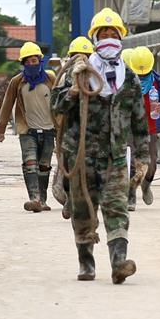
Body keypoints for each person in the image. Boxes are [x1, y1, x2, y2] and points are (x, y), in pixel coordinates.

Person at [51, 8, 149, 284]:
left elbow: (139, 122)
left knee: (116, 208)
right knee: (83, 210)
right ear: (94, 38)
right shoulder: (80, 72)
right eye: (103, 34)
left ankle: (119, 263)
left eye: (113, 34)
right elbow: (56, 107)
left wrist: (142, 158)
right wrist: (71, 90)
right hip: (81, 155)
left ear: (121, 38)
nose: (108, 38)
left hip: (115, 157)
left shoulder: (129, 78)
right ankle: (86, 263)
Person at [0, 42, 57, 213]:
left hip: (49, 129)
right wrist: (0, 129)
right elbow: (7, 104)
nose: (32, 64)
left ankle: (43, 200)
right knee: (30, 164)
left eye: (34, 60)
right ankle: (34, 198)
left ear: (40, 60)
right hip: (27, 130)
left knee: (44, 166)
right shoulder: (17, 82)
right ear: (23, 64)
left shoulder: (51, 78)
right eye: (28, 61)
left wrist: (63, 128)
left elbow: (61, 102)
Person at [125, 46, 160, 209]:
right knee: (131, 163)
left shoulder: (158, 81)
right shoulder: (126, 81)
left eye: (144, 73)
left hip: (150, 128)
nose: (142, 76)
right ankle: (131, 197)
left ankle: (146, 185)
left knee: (151, 165)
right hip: (131, 129)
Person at [53, 35, 95, 219]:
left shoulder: (98, 79)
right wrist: (73, 91)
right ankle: (69, 198)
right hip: (70, 134)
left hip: (93, 135)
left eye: (85, 55)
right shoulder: (64, 81)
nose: (82, 59)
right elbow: (56, 106)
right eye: (77, 56)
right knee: (69, 173)